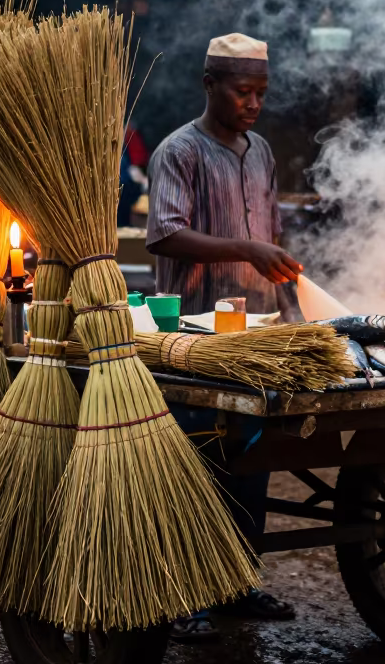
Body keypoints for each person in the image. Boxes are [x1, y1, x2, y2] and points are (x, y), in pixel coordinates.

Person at [145, 33, 301, 641]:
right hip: (190, 334)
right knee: (197, 462)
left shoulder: (260, 151)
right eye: (243, 92)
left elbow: (272, 234)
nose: (254, 104)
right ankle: (183, 591)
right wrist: (244, 247)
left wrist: (289, 302)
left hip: (256, 334)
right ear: (209, 85)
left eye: (261, 93)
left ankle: (236, 582)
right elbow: (164, 234)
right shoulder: (177, 151)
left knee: (250, 459)